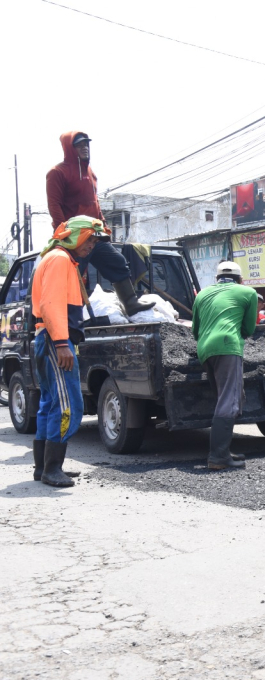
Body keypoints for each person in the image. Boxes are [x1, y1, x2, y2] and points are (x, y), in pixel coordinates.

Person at [32, 216, 108, 487]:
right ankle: (52, 468)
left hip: (48, 338)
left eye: (95, 240)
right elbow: (51, 303)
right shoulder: (60, 259)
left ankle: (44, 467)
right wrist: (62, 343)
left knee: (51, 404)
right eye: (90, 238)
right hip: (55, 341)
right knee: (67, 406)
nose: (92, 245)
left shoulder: (56, 258)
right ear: (74, 236)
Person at [45, 131, 155, 316]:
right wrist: (62, 233)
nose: (85, 148)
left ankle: (130, 304)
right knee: (72, 276)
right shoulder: (57, 172)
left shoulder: (90, 172)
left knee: (117, 262)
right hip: (74, 238)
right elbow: (54, 204)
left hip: (94, 235)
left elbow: (94, 202)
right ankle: (64, 315)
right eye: (79, 145)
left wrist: (103, 223)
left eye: (86, 144)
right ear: (69, 149)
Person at [192, 261, 258, 470]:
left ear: (217, 279)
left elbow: (195, 329)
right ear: (240, 279)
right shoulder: (248, 293)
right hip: (228, 347)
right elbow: (248, 329)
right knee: (229, 402)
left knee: (222, 399)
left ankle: (223, 450)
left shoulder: (202, 294)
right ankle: (218, 457)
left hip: (204, 348)